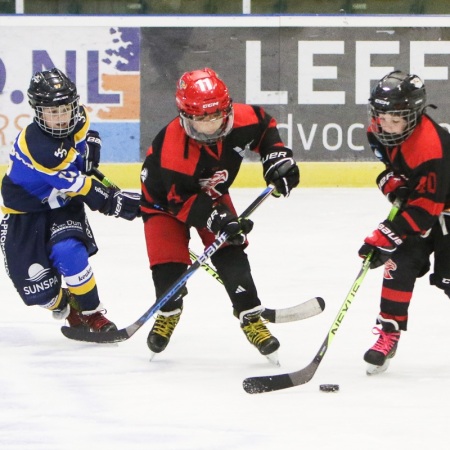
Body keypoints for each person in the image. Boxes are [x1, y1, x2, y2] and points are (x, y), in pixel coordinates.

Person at [140, 67, 299, 361]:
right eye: (200, 118)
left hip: (211, 191)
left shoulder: (242, 119)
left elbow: (266, 127)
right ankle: (169, 310)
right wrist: (217, 219)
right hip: (164, 204)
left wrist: (277, 157)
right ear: (185, 115)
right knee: (169, 271)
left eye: (215, 116)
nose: (210, 125)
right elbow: (180, 201)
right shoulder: (174, 148)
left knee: (232, 248)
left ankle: (251, 317)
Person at [0, 68, 141, 333]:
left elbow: (84, 131)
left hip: (62, 204)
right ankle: (64, 303)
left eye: (66, 109)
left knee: (69, 251)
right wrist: (116, 203)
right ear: (38, 112)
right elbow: (81, 186)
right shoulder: (38, 146)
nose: (62, 117)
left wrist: (90, 143)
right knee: (41, 292)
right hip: (24, 213)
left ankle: (91, 313)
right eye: (53, 113)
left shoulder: (76, 117)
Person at [358, 70, 450, 374]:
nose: (385, 124)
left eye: (395, 119)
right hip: (423, 204)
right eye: (381, 115)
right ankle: (389, 330)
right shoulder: (378, 131)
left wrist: (387, 233)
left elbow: (427, 209)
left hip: (443, 209)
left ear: (413, 115)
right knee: (398, 266)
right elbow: (394, 170)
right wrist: (391, 182)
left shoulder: (432, 147)